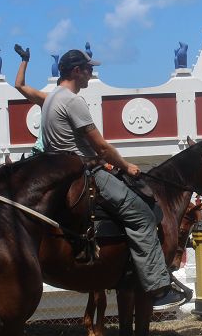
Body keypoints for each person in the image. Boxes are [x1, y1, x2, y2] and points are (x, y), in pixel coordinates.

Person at [30, 46, 185, 310]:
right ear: (77, 71)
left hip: (59, 170)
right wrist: (126, 166)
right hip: (84, 172)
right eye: (89, 70)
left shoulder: (51, 98)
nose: (91, 74)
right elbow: (100, 147)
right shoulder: (72, 100)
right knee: (142, 215)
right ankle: (158, 285)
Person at [13, 44, 44, 154]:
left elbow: (19, 85)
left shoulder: (47, 99)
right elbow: (19, 86)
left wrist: (25, 60)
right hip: (45, 155)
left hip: (42, 153)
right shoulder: (48, 99)